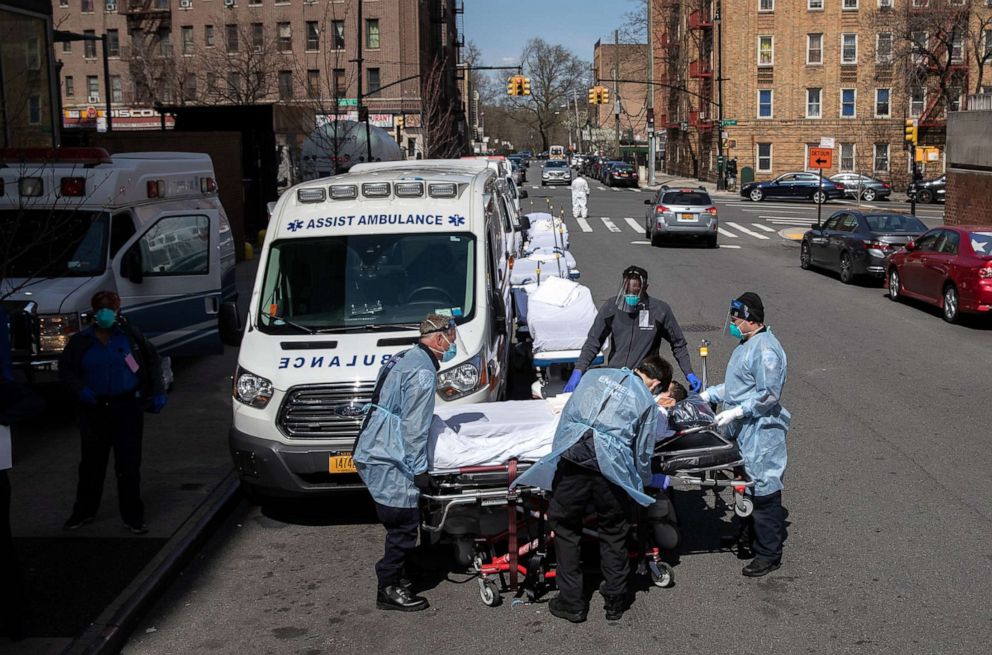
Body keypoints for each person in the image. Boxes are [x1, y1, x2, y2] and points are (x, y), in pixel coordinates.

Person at [513, 355, 673, 623]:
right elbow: (643, 451)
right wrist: (643, 482)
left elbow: (566, 419)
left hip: (574, 458)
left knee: (565, 527)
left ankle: (571, 602)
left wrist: (557, 458)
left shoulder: (594, 376)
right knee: (614, 531)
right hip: (611, 471)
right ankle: (615, 601)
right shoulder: (645, 400)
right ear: (655, 383)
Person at [353, 313, 458, 612]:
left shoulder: (404, 357)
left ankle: (408, 570)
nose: (452, 344)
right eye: (450, 338)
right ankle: (388, 587)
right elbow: (414, 427)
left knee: (403, 518)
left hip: (375, 444)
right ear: (438, 339)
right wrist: (419, 469)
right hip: (387, 455)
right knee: (402, 522)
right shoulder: (423, 373)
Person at [59, 291, 166, 535]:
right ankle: (84, 511)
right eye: (101, 308)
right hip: (94, 409)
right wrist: (79, 389)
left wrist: (156, 390)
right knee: (91, 464)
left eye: (110, 308)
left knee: (128, 465)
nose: (105, 313)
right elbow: (66, 371)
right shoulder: (81, 342)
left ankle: (133, 516)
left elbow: (151, 361)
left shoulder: (129, 337)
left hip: (126, 407)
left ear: (117, 311)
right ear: (94, 312)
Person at [701, 292, 789, 577]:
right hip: (746, 430)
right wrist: (709, 394)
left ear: (751, 319)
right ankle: (748, 539)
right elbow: (738, 387)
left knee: (764, 490)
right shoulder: (747, 344)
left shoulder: (765, 351)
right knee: (746, 485)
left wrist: (738, 412)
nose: (733, 323)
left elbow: (768, 395)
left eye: (737, 318)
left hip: (762, 432)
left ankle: (768, 553)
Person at [566, 265, 700, 394]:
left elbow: (678, 344)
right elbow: (593, 342)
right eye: (627, 291)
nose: (630, 295)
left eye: (635, 291)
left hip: (644, 380)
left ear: (645, 288)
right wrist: (579, 370)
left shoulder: (659, 311)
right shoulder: (612, 307)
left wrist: (689, 372)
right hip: (616, 376)